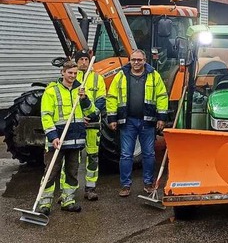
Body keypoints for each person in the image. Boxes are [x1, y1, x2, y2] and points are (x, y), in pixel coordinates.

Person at [38, 60, 97, 215]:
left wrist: (85, 99)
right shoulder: (52, 91)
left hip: (75, 139)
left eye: (75, 73)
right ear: (62, 73)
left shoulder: (81, 90)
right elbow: (46, 116)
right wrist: (52, 136)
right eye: (69, 73)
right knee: (51, 172)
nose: (72, 76)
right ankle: (45, 204)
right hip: (57, 140)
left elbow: (92, 113)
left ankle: (68, 200)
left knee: (72, 172)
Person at [106, 49, 168, 197]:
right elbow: (112, 97)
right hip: (127, 122)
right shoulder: (121, 76)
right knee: (126, 155)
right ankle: (125, 186)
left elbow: (162, 96)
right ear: (130, 60)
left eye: (139, 60)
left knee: (148, 154)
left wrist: (161, 117)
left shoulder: (154, 76)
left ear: (144, 60)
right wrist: (112, 118)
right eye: (133, 59)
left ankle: (148, 184)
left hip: (148, 121)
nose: (136, 62)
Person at [72, 50, 106, 201]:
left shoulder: (97, 79)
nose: (84, 62)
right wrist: (79, 117)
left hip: (92, 123)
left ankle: (90, 188)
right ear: (76, 61)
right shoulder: (71, 77)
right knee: (72, 158)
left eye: (86, 59)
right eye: (81, 59)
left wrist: (89, 115)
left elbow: (100, 100)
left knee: (92, 157)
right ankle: (69, 191)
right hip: (75, 124)